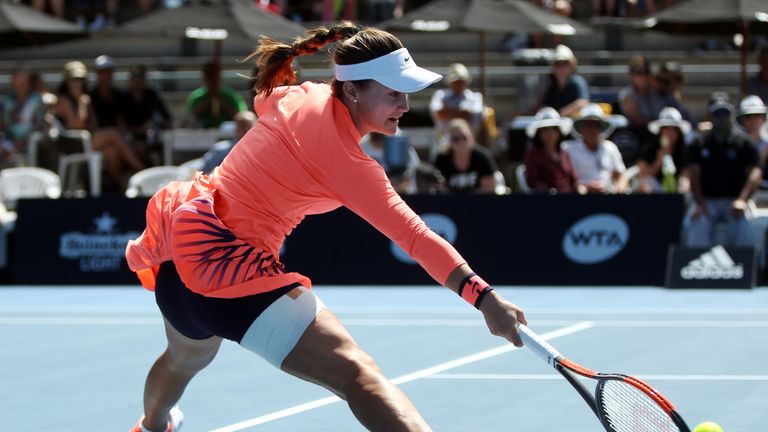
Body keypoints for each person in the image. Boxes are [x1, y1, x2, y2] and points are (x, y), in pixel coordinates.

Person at [126, 22, 526, 432]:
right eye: (392, 92)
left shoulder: (299, 94)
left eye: (406, 92)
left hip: (178, 254)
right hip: (229, 274)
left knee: (184, 359)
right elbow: (416, 237)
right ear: (352, 90)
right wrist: (485, 298)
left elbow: (266, 101)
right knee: (359, 378)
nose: (405, 104)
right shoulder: (350, 166)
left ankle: (151, 426)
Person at [53, 60, 144, 193]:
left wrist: (84, 104)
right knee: (113, 133)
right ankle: (141, 170)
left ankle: (119, 188)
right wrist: (81, 102)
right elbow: (76, 125)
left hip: (87, 140)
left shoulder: (85, 98)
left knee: (111, 151)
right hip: (73, 144)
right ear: (67, 81)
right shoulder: (64, 100)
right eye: (74, 80)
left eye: (80, 79)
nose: (77, 83)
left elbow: (94, 124)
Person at [685, 92, 762, 247]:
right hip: (706, 200)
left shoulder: (745, 143)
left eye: (725, 113)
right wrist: (700, 203)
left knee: (745, 224)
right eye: (717, 113)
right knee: (696, 221)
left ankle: (741, 266)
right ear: (709, 115)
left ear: (732, 114)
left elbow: (755, 174)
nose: (721, 118)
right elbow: (693, 175)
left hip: (735, 200)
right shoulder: (698, 143)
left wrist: (741, 200)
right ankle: (696, 267)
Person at [562, 103, 627, 193]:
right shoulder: (568, 148)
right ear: (581, 128)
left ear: (601, 128)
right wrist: (586, 188)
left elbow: (620, 175)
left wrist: (619, 189)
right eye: (589, 125)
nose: (593, 129)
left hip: (610, 198)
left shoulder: (610, 147)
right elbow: (566, 180)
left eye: (597, 125)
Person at [428, 63, 485, 158]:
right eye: (456, 81)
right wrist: (463, 113)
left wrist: (448, 111)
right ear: (450, 82)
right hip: (444, 145)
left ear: (467, 81)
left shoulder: (475, 97)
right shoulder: (440, 95)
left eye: (461, 81)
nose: (459, 84)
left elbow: (472, 115)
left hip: (468, 145)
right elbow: (439, 114)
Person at [124, 65, 174, 166]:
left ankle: (162, 172)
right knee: (140, 149)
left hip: (150, 136)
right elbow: (121, 125)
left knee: (162, 146)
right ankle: (140, 170)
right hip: (130, 137)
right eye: (135, 76)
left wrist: (163, 128)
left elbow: (166, 116)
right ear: (130, 79)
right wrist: (139, 129)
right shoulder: (123, 97)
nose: (138, 80)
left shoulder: (151, 95)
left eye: (141, 77)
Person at [522, 107, 580, 193]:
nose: (550, 133)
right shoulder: (533, 154)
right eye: (545, 129)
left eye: (554, 129)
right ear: (539, 133)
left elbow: (573, 180)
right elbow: (533, 181)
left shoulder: (564, 153)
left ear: (559, 132)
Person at [433, 118, 499, 193]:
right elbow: (438, 187)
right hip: (450, 203)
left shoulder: (483, 158)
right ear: (450, 141)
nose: (461, 142)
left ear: (472, 138)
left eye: (464, 137)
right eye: (456, 139)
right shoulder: (442, 159)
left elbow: (489, 188)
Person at [635, 107, 691, 194]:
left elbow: (686, 175)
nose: (669, 132)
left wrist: (683, 187)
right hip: (654, 195)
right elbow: (642, 176)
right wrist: (658, 162)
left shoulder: (683, 150)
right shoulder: (649, 148)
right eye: (666, 128)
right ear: (660, 131)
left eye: (674, 129)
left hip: (676, 193)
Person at [0, 68, 45, 166]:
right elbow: (4, 124)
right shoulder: (9, 100)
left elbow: (38, 126)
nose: (19, 87)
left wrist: (21, 141)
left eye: (22, 84)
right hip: (8, 140)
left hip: (28, 142)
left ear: (29, 84)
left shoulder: (36, 101)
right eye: (16, 83)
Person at [186, 62, 248, 129]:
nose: (212, 80)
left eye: (215, 76)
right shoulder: (196, 97)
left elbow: (242, 116)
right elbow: (189, 119)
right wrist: (204, 106)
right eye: (209, 76)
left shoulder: (231, 96)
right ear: (204, 78)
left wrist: (225, 105)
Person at [533, 44, 589, 118]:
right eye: (558, 64)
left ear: (572, 66)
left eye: (565, 63)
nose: (561, 67)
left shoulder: (577, 82)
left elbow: (583, 102)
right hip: (554, 126)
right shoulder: (552, 85)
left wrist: (560, 115)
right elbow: (542, 105)